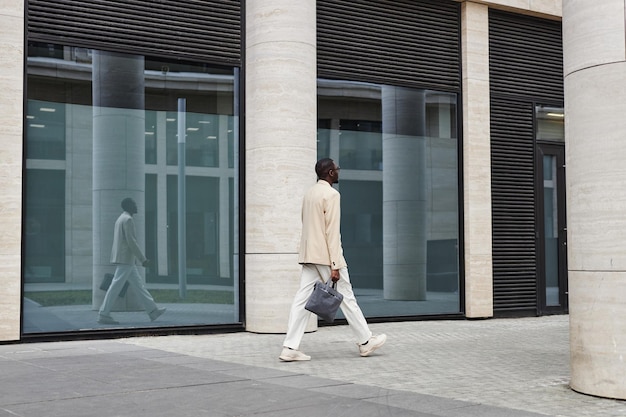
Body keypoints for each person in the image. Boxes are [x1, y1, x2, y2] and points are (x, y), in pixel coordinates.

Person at [279, 158, 387, 361]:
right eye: (337, 169)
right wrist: (335, 264)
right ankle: (365, 341)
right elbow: (332, 232)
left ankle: (290, 347)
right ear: (330, 173)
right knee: (346, 295)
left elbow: (306, 223)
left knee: (302, 300)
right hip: (327, 256)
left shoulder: (309, 194)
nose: (338, 171)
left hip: (309, 254)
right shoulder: (332, 195)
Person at [98, 197, 166, 325]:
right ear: (129, 206)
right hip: (126, 259)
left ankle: (152, 311)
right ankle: (103, 313)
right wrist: (143, 259)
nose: (137, 206)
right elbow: (131, 241)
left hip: (125, 259)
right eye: (134, 204)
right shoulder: (128, 220)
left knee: (138, 285)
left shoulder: (120, 218)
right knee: (115, 286)